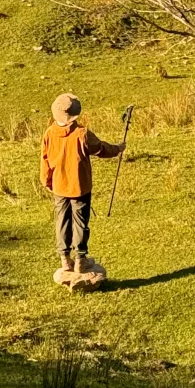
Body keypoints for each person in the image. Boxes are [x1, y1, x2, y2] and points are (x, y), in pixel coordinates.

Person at [39, 92, 125, 275]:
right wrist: (118, 148)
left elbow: (44, 161)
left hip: (59, 187)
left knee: (61, 221)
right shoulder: (82, 133)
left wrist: (47, 182)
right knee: (80, 223)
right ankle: (80, 260)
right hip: (80, 186)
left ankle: (64, 260)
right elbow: (101, 148)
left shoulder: (49, 134)